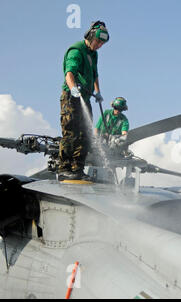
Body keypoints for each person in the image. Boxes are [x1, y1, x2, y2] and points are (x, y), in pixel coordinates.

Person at [58, 20, 109, 181]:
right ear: (90, 36)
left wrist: (98, 92)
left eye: (102, 43)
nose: (99, 45)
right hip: (71, 97)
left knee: (86, 135)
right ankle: (64, 168)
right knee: (71, 132)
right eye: (98, 41)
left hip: (85, 98)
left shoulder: (94, 54)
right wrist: (73, 89)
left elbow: (95, 74)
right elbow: (69, 73)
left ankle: (77, 169)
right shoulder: (76, 50)